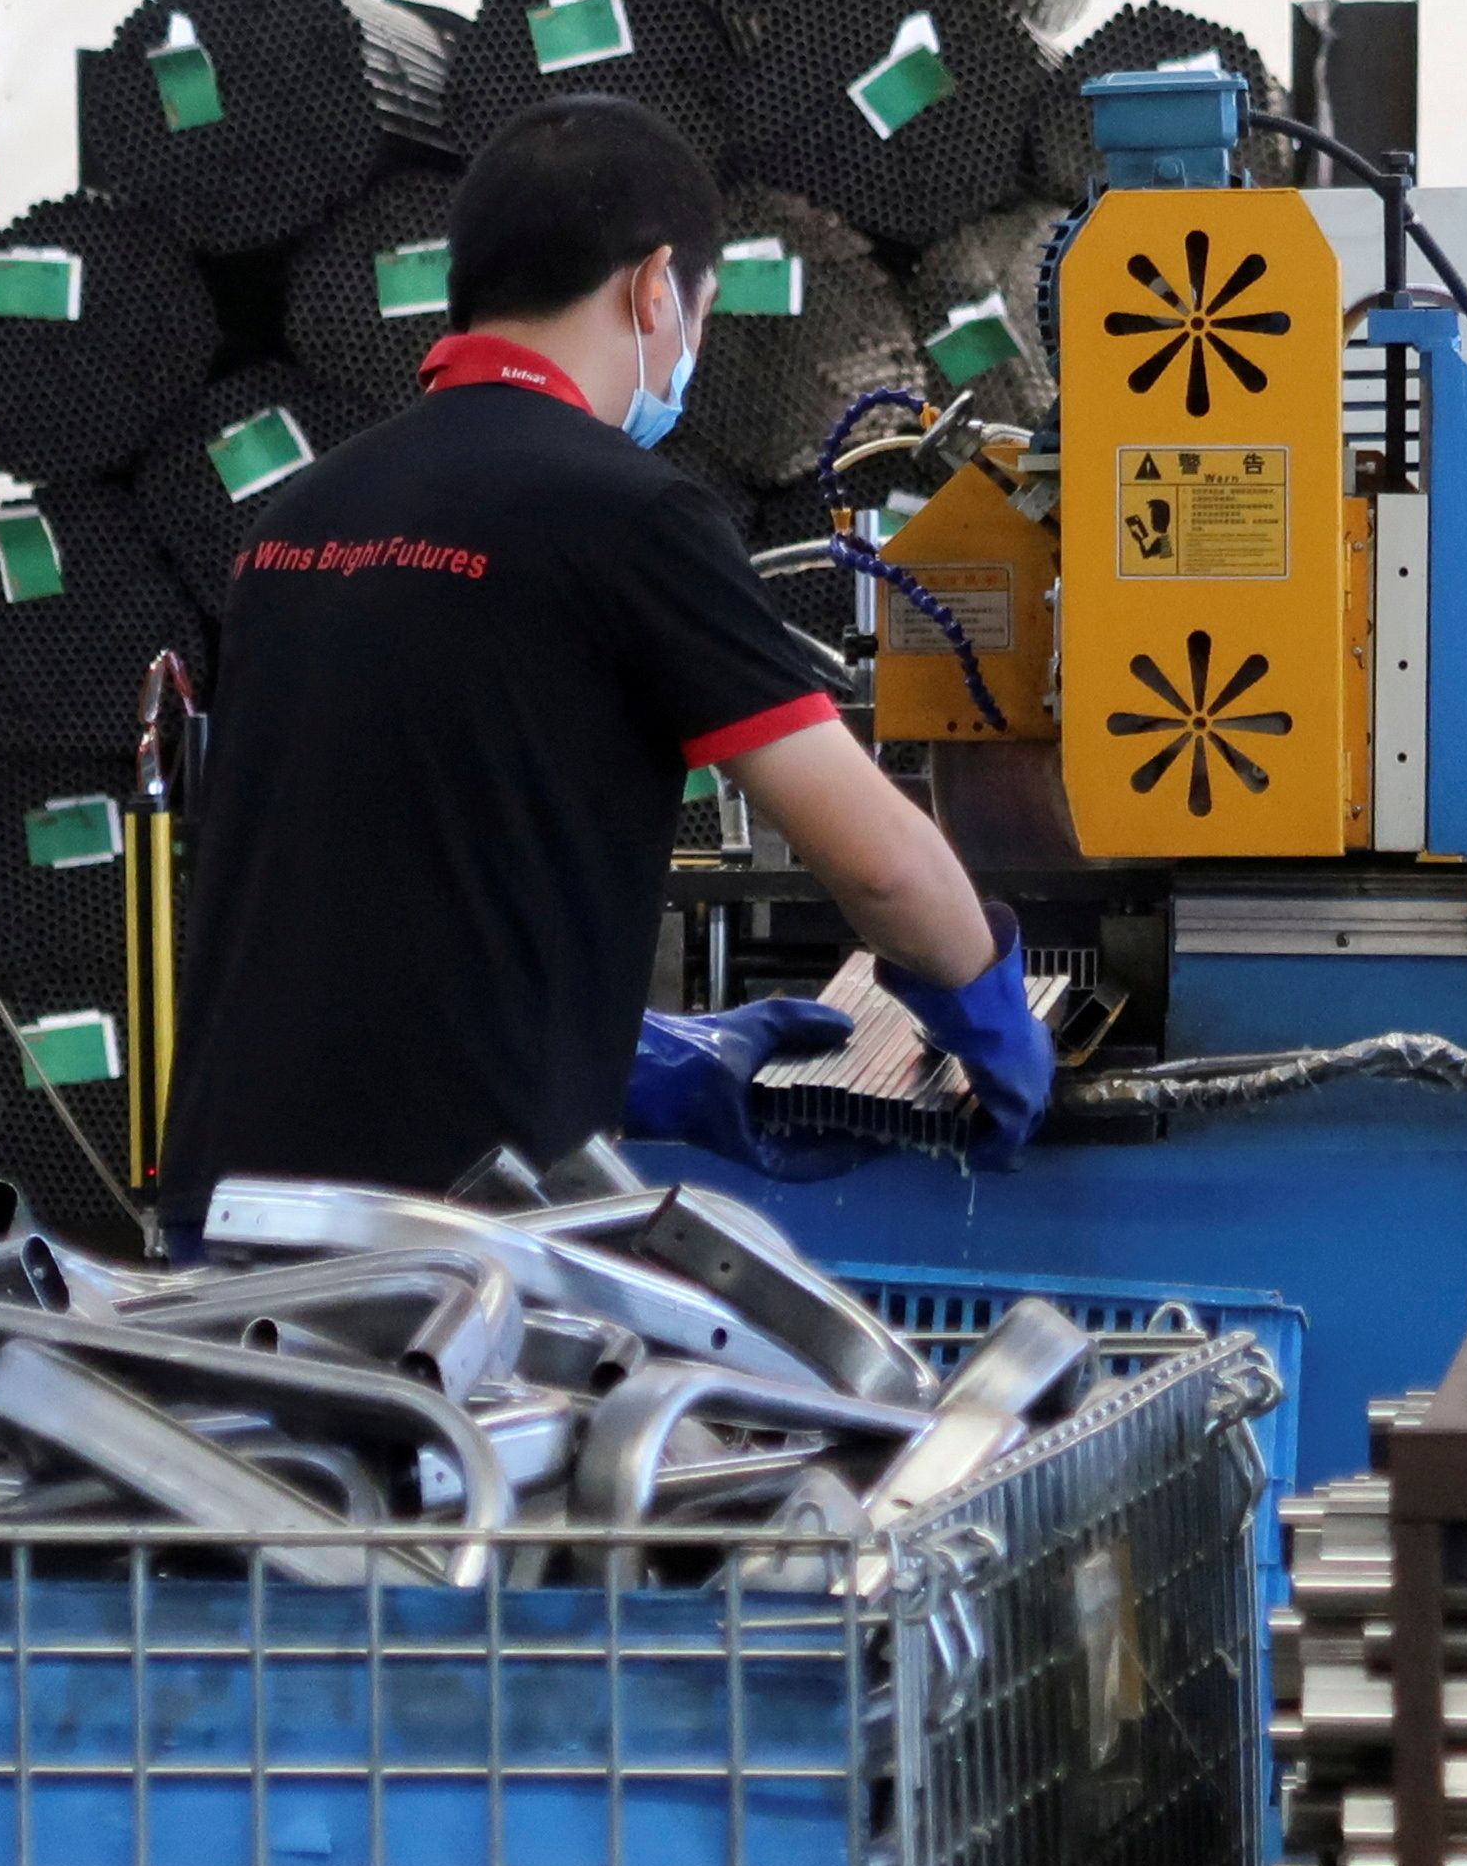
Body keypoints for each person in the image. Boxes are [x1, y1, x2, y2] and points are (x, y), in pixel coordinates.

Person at [156, 94, 1048, 1219]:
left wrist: (616, 1049)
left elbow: (382, 877)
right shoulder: (631, 518)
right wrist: (994, 1017)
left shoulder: (295, 521)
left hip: (221, 1219)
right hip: (447, 1251)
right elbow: (880, 866)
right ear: (653, 288)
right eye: (702, 315)